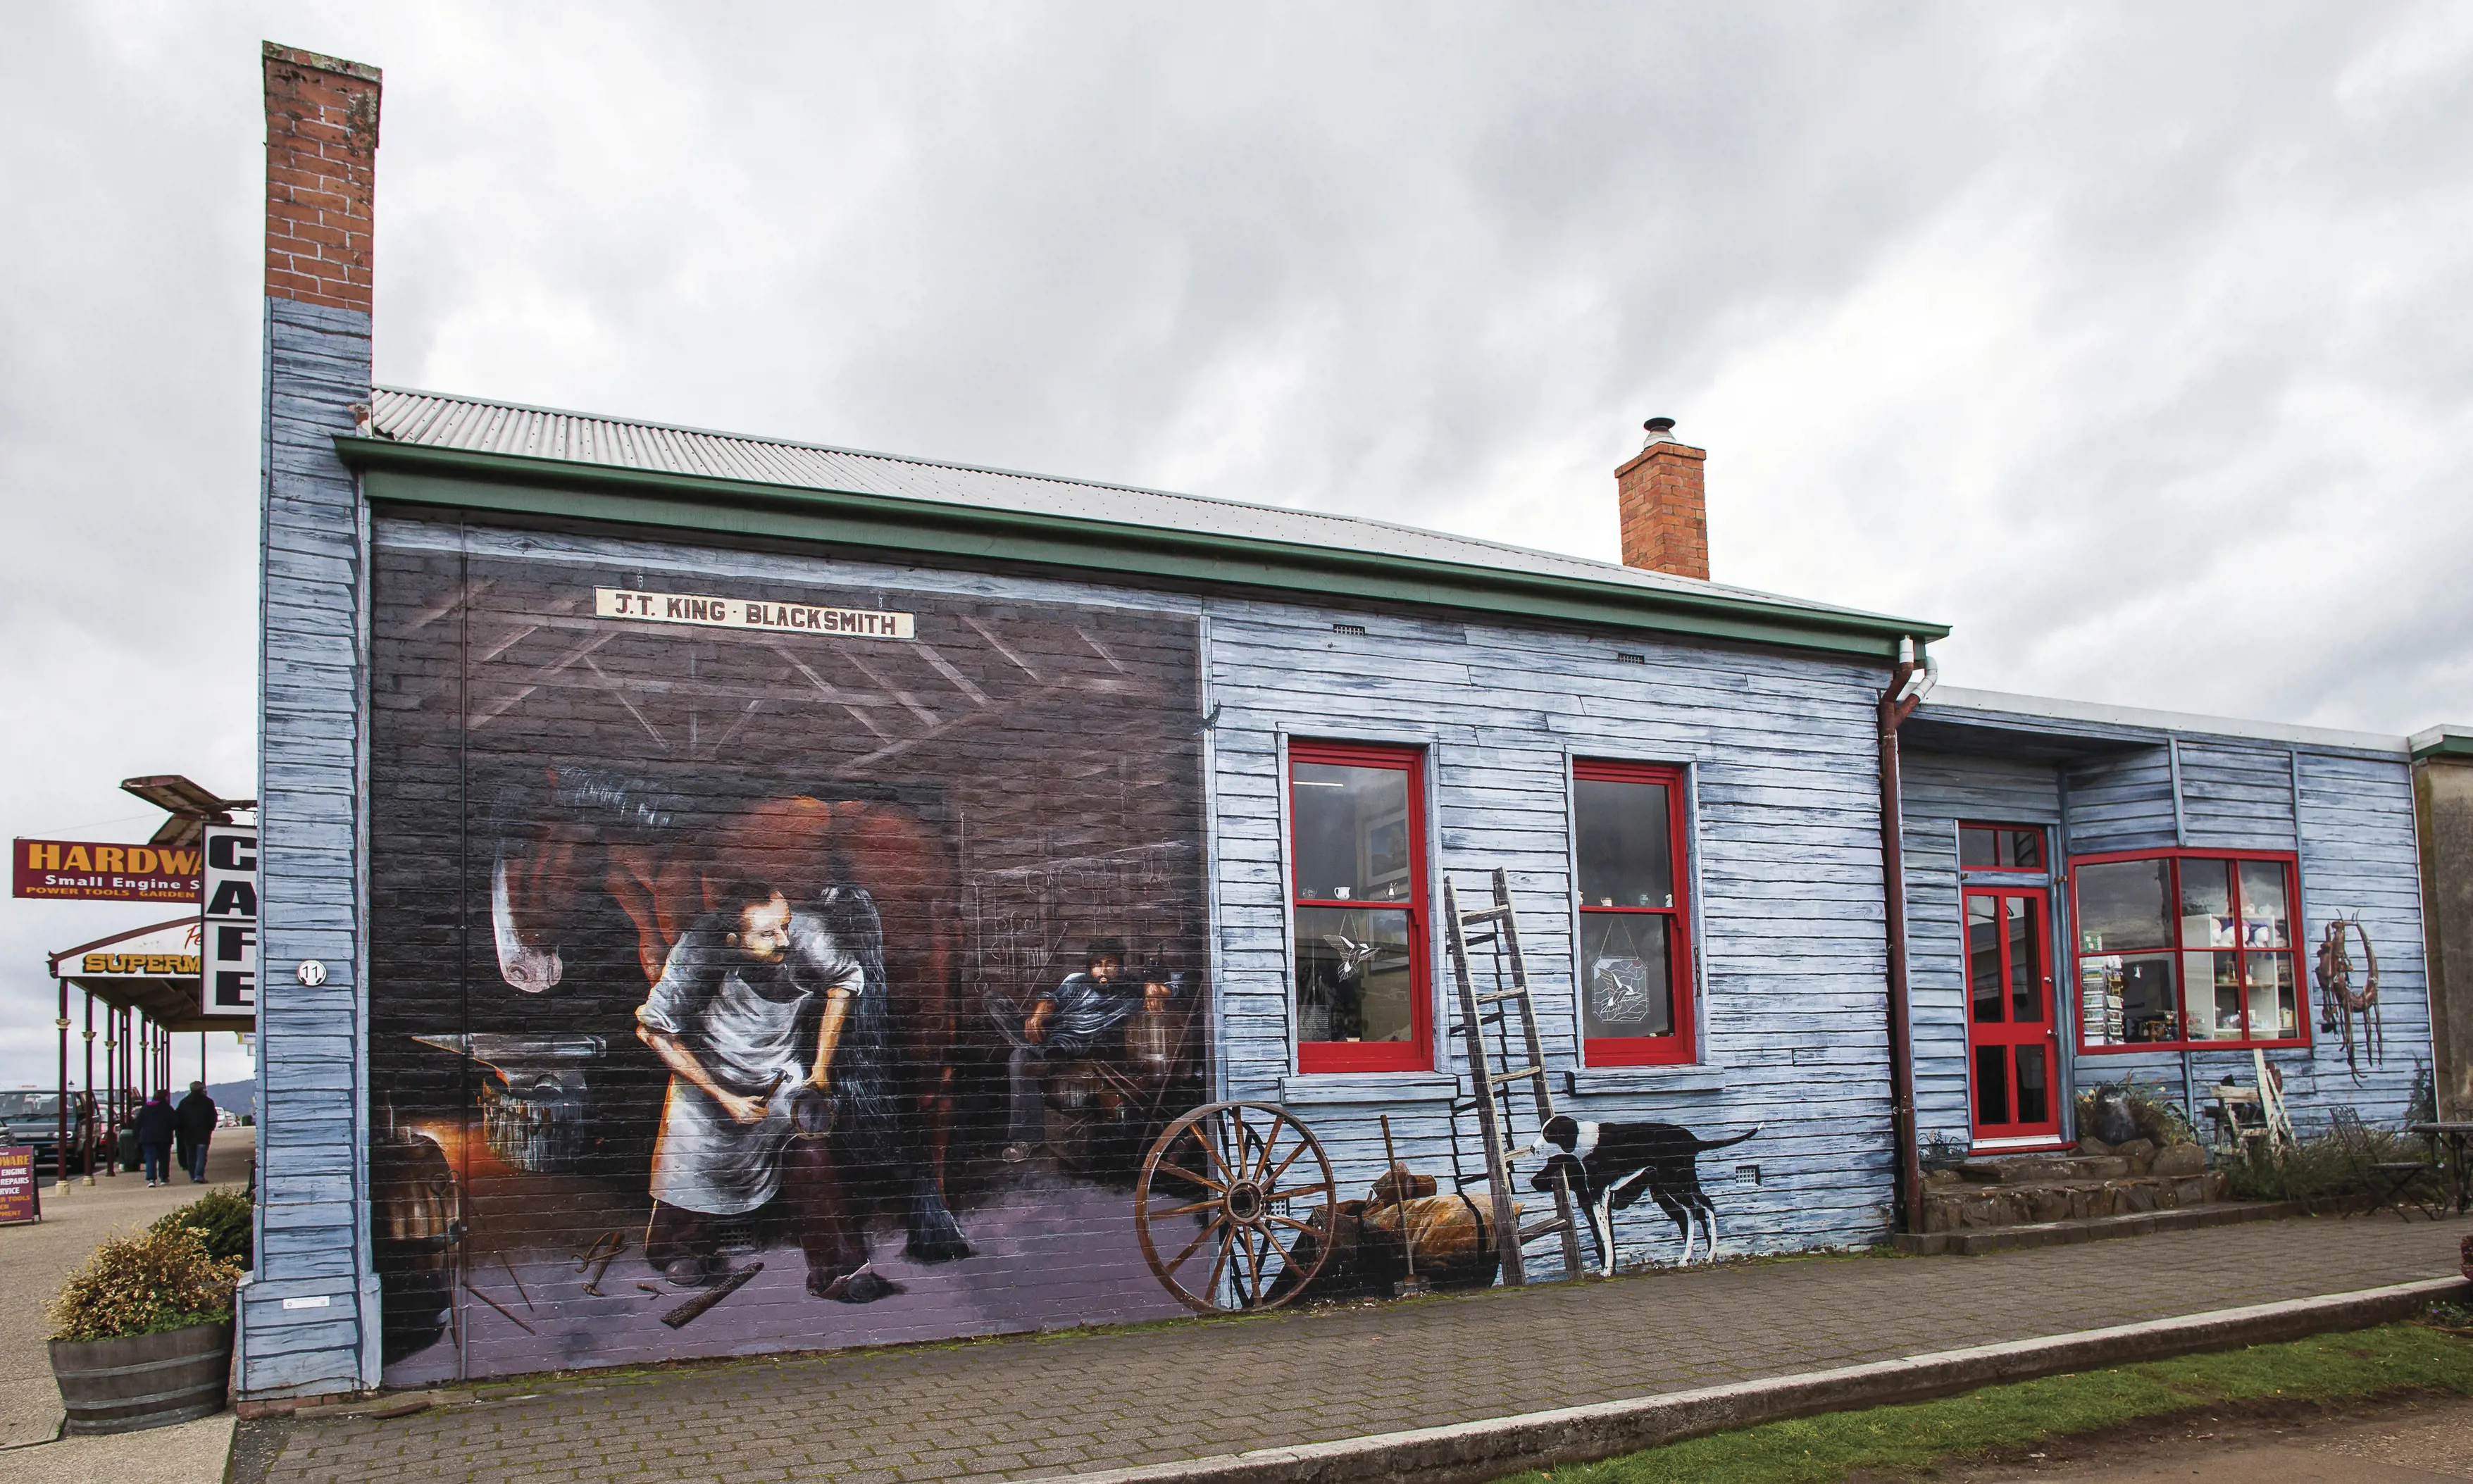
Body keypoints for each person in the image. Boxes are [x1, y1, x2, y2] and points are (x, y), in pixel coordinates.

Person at [635, 880, 885, 1298]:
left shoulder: (804, 933)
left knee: (810, 1155)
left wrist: (820, 1071)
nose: (785, 940)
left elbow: (844, 981)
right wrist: (726, 1098)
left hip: (779, 1073)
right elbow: (654, 1032)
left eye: (785, 925)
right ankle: (676, 1248)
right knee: (696, 1170)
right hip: (708, 1081)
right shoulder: (697, 950)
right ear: (734, 938)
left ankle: (840, 1267)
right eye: (768, 934)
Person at [1004, 939, 1172, 1162]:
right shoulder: (1075, 982)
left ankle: (1029, 1043)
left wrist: (1153, 986)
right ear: (1089, 967)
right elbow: (1050, 999)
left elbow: (1180, 985)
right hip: (1055, 1038)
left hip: (1087, 1048)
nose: (1103, 970)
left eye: (1110, 963)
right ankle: (1026, 1139)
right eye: (1097, 964)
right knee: (1018, 1056)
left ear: (1120, 966)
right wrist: (1037, 1016)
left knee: (1023, 1052)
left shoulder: (1130, 990)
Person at [175, 1081, 218, 1183]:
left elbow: (178, 1118)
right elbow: (213, 1117)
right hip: (203, 1133)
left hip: (188, 1134)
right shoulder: (208, 1102)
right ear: (201, 1090)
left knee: (191, 1156)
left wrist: (181, 1130)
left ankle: (192, 1175)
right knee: (201, 1155)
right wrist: (210, 1128)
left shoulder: (184, 1102)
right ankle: (199, 1175)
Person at [134, 1089, 177, 1187]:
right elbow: (175, 1121)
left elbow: (138, 1123)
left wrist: (137, 1137)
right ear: (165, 1097)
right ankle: (163, 1178)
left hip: (147, 1138)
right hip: (164, 1137)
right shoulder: (166, 1108)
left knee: (150, 1158)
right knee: (164, 1159)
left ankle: (151, 1179)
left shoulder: (145, 1108)